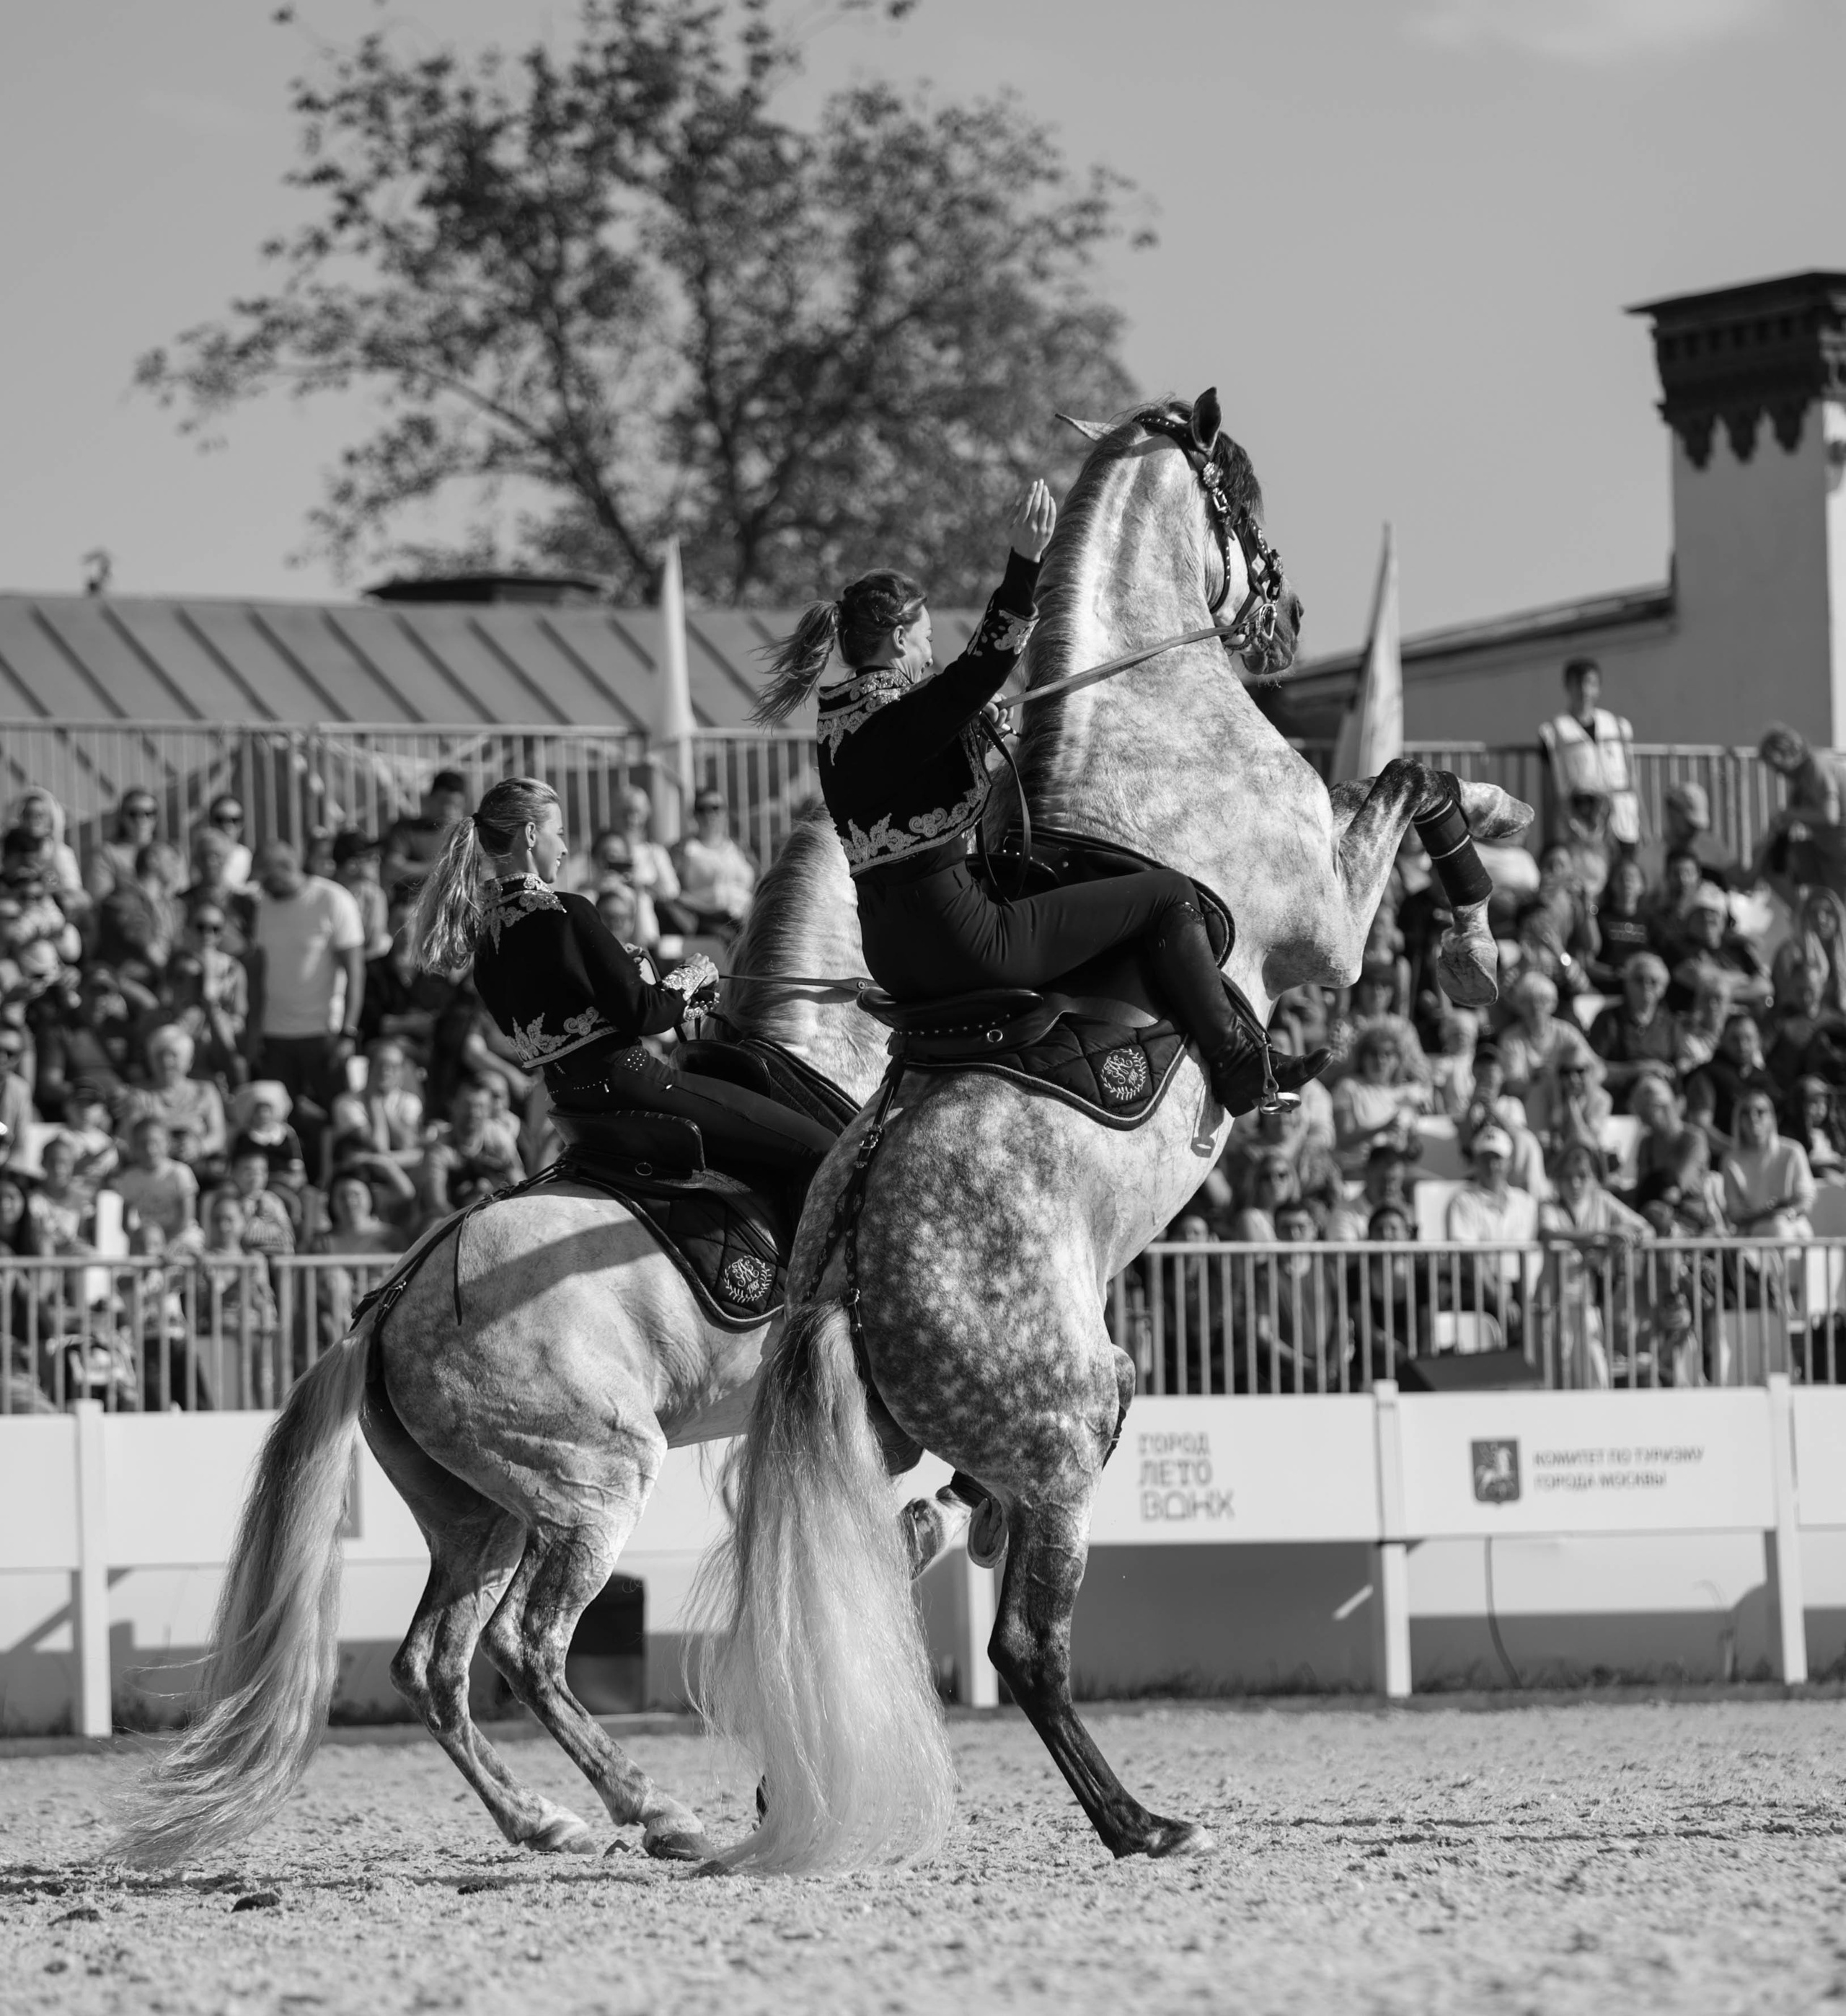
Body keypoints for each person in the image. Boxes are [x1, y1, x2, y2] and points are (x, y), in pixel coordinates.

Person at [759, 481, 1322, 1119]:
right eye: (920, 638)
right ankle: (1242, 1065)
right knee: (1169, 895)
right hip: (962, 942)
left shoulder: (838, 726)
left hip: (889, 952)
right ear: (894, 642)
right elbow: (975, 669)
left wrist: (969, 733)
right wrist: (1024, 563)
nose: (929, 650)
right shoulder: (906, 713)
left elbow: (907, 782)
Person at [407, 776, 838, 1203]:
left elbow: (577, 1019)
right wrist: (692, 972)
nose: (564, 847)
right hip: (636, 1083)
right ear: (531, 835)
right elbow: (646, 1015)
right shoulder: (566, 911)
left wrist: (641, 983)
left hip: (572, 1105)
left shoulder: (485, 941)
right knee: (822, 1149)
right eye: (559, 834)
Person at [247, 839, 366, 1132]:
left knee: (341, 1118)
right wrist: (254, 1032)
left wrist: (348, 1032)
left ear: (287, 868)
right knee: (279, 1124)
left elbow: (355, 972)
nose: (262, 886)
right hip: (276, 1037)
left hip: (324, 1035)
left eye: (267, 877)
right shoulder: (265, 907)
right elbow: (259, 974)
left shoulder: (332, 900)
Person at [1538, 656, 1640, 857]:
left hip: (1623, 822)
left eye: (1591, 683)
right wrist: (1550, 836)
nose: (1585, 690)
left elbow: (1633, 779)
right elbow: (1548, 788)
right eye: (1578, 684)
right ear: (1568, 687)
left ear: (1599, 687)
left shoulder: (1618, 726)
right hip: (1581, 825)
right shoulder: (1553, 731)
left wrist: (1644, 823)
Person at [1755, 723, 1846, 903]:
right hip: (1826, 850)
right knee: (1773, 863)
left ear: (1789, 753)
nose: (1779, 773)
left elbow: (1829, 816)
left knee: (1840, 905)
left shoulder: (1816, 767)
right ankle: (1801, 913)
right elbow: (1787, 823)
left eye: (1778, 766)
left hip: (1840, 849)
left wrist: (1790, 814)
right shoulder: (1801, 780)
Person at [1719, 1087, 1816, 1241]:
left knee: (1782, 1227)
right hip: (1751, 1233)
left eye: (1760, 1111)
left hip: (1794, 1225)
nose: (1753, 1118)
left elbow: (1806, 1200)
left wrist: (1787, 1212)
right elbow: (1735, 1214)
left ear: (1772, 1118)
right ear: (1738, 1120)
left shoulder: (1793, 1151)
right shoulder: (1731, 1160)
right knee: (1777, 1228)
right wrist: (1765, 1214)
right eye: (1745, 1112)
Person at [1588, 952, 1681, 1109]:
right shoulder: (1608, 1019)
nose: (1646, 986)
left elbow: (1678, 1073)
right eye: (1639, 979)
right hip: (1618, 1102)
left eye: (1653, 981)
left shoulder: (1670, 1025)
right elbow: (1593, 1069)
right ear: (1627, 983)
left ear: (1663, 989)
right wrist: (1639, 1070)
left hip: (1661, 1102)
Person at [126, 1025, 227, 1168]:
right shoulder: (139, 1095)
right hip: (154, 1169)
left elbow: (218, 1136)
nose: (166, 1063)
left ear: (189, 1061)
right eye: (159, 1055)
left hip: (200, 1167)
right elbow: (130, 1140)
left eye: (174, 1055)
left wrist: (199, 1147)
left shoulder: (206, 1091)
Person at [671, 787, 757, 941]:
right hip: (705, 924)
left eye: (715, 808)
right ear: (694, 814)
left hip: (746, 920)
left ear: (725, 813)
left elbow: (760, 881)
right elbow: (671, 892)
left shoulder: (740, 848)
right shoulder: (684, 849)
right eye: (702, 809)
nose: (709, 814)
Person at [109, 1116, 201, 1252]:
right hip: (150, 1241)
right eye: (142, 1144)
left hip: (183, 1237)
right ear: (133, 1146)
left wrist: (166, 1243)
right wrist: (139, 1240)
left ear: (168, 1143)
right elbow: (125, 1223)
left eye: (155, 1143)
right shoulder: (129, 1178)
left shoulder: (180, 1173)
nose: (150, 1149)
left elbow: (186, 1219)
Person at [382, 769, 471, 898]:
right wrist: (438, 869)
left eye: (455, 805)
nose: (447, 810)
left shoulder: (465, 835)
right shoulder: (405, 830)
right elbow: (393, 869)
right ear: (429, 799)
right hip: (412, 904)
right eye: (442, 802)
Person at [85, 789, 160, 903]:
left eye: (149, 813)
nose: (141, 820)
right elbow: (101, 898)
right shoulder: (106, 853)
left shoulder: (170, 852)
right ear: (122, 817)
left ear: (156, 818)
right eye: (133, 814)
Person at [332, 829, 392, 958]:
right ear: (351, 865)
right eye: (370, 857)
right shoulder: (325, 896)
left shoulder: (374, 895)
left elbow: (373, 943)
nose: (378, 861)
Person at [198, 793, 253, 890]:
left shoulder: (247, 858)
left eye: (234, 820)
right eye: (220, 819)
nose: (227, 826)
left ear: (242, 824)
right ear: (210, 821)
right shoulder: (200, 855)